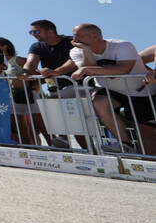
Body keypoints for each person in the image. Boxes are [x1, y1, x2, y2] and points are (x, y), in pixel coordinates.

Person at [67, 23, 156, 154]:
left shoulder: (122, 46)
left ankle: (150, 166)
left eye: (78, 35)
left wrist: (86, 69)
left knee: (145, 132)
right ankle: (125, 143)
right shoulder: (76, 51)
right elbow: (91, 72)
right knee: (99, 102)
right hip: (110, 89)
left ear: (95, 36)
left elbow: (123, 69)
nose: (74, 39)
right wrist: (86, 51)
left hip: (140, 91)